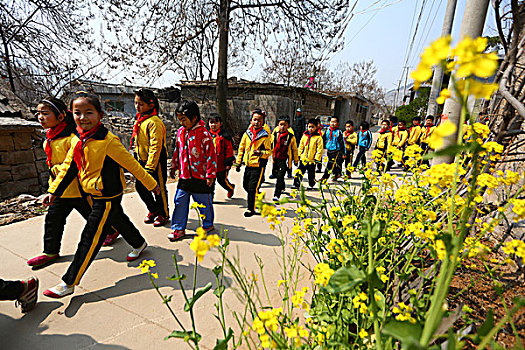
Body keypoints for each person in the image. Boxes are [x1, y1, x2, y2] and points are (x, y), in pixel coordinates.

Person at [42, 92, 159, 298]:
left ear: (100, 115)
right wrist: (53, 192)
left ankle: (69, 282)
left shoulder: (108, 141)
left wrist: (152, 184)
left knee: (90, 237)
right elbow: (69, 168)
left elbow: (131, 165)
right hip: (93, 192)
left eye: (89, 113)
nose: (83, 118)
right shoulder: (79, 140)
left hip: (107, 195)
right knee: (118, 219)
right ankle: (139, 243)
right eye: (77, 113)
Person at [27, 97, 116, 268]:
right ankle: (50, 251)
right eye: (38, 113)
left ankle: (112, 230)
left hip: (78, 189)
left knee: (93, 217)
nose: (40, 117)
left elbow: (74, 165)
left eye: (45, 113)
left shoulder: (72, 139)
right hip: (61, 190)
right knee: (53, 220)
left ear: (61, 117)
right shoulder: (49, 139)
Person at [168, 101, 217, 241]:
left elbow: (211, 155)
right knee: (179, 200)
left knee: (203, 204)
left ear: (194, 117)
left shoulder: (204, 134)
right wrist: (174, 166)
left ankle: (207, 224)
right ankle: (178, 228)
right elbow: (178, 150)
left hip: (201, 177)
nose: (181, 123)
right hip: (184, 176)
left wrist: (210, 175)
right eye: (179, 120)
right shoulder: (181, 132)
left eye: (184, 119)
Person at [132, 88, 170, 227]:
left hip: (156, 162)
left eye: (141, 104)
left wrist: (150, 167)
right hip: (142, 160)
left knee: (159, 189)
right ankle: (153, 210)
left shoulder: (154, 122)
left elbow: (156, 146)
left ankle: (164, 213)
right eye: (136, 103)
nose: (137, 106)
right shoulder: (140, 120)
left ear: (151, 105)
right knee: (140, 187)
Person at [235, 109, 272, 217]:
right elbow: (241, 148)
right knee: (245, 186)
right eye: (255, 120)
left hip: (258, 166)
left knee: (252, 188)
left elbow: (269, 152)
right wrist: (238, 162)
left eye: (259, 120)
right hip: (248, 165)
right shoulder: (247, 134)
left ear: (263, 123)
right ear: (251, 120)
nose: (256, 122)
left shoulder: (265, 136)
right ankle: (255, 194)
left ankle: (251, 209)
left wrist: (260, 153)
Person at [271, 116, 298, 201]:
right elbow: (269, 144)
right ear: (278, 125)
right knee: (278, 175)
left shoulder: (290, 137)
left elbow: (294, 149)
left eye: (284, 125)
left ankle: (277, 194)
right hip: (275, 159)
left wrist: (296, 160)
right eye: (281, 124)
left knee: (280, 175)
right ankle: (282, 187)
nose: (282, 127)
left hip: (285, 160)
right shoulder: (275, 135)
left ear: (288, 126)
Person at [208, 113, 235, 198]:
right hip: (210, 164)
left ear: (220, 123)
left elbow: (229, 150)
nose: (213, 125)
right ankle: (210, 197)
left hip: (221, 164)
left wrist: (228, 163)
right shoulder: (206, 135)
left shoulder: (224, 136)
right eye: (211, 122)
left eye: (216, 122)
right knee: (210, 182)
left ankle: (230, 188)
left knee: (222, 180)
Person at [291, 119, 323, 190]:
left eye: (312, 127)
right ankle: (296, 184)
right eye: (309, 127)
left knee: (311, 174)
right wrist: (299, 155)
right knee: (299, 172)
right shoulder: (305, 135)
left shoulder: (318, 137)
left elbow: (319, 149)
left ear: (316, 127)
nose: (310, 129)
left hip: (312, 160)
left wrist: (317, 159)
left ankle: (311, 184)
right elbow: (301, 145)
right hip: (304, 159)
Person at [321, 116, 345, 181]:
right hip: (329, 150)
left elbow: (342, 143)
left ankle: (325, 177)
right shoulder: (327, 131)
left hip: (336, 151)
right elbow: (323, 139)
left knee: (330, 164)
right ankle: (337, 174)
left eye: (334, 122)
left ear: (337, 123)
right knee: (333, 163)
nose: (333, 123)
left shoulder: (338, 132)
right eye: (331, 122)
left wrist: (343, 153)